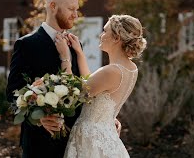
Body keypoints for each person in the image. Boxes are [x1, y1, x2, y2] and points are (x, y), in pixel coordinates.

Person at [6, 0, 121, 158]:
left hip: (75, 142)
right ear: (53, 6)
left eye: (77, 9)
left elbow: (83, 89)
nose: (76, 15)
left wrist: (103, 118)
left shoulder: (76, 45)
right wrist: (39, 118)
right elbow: (12, 93)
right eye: (71, 9)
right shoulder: (27, 45)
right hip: (39, 144)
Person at [55, 14, 147, 157]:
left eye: (105, 31)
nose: (101, 35)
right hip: (107, 135)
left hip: (91, 140)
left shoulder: (111, 71)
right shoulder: (131, 68)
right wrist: (79, 53)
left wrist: (65, 57)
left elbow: (73, 93)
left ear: (117, 38)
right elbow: (93, 83)